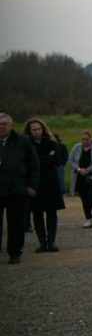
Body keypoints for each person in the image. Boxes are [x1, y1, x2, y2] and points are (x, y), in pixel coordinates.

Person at [0, 113, 39, 264]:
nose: (2, 127)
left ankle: (15, 252)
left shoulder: (23, 141)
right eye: (0, 124)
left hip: (17, 190)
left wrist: (32, 186)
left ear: (10, 126)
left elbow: (34, 164)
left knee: (16, 223)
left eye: (4, 124)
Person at [23, 118, 65, 253]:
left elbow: (57, 160)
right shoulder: (26, 144)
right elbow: (28, 162)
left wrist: (40, 160)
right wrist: (46, 158)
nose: (37, 131)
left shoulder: (51, 142)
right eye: (34, 129)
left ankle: (51, 241)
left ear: (43, 129)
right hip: (35, 183)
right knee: (37, 213)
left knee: (51, 212)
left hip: (50, 182)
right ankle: (42, 242)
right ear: (29, 131)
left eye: (39, 129)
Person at [69, 131, 92, 228]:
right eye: (82, 139)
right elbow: (71, 160)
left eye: (86, 139)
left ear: (91, 138)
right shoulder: (76, 147)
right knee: (84, 199)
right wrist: (79, 169)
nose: (84, 141)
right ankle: (88, 219)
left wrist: (89, 169)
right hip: (80, 176)